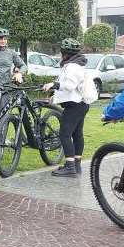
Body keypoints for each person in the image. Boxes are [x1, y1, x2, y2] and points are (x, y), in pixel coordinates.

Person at [42, 38, 88, 177]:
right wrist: (55, 95)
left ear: (64, 52)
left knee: (64, 134)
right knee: (77, 134)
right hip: (81, 104)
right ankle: (76, 165)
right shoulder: (76, 64)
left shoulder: (72, 66)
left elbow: (70, 85)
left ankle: (70, 166)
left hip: (74, 106)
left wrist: (53, 84)